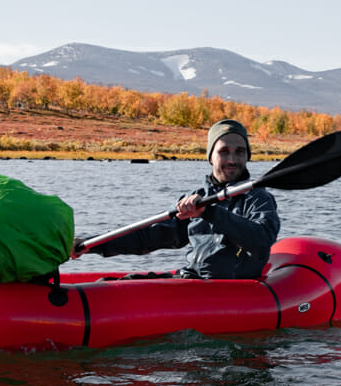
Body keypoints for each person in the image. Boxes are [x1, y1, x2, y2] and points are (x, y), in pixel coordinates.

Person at [75, 118, 281, 279]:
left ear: (248, 156)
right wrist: (92, 244)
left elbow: (261, 241)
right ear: (210, 157)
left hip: (232, 289)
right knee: (111, 285)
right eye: (223, 152)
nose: (232, 160)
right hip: (194, 280)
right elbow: (149, 237)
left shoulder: (258, 198)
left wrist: (209, 213)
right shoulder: (195, 199)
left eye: (240, 152)